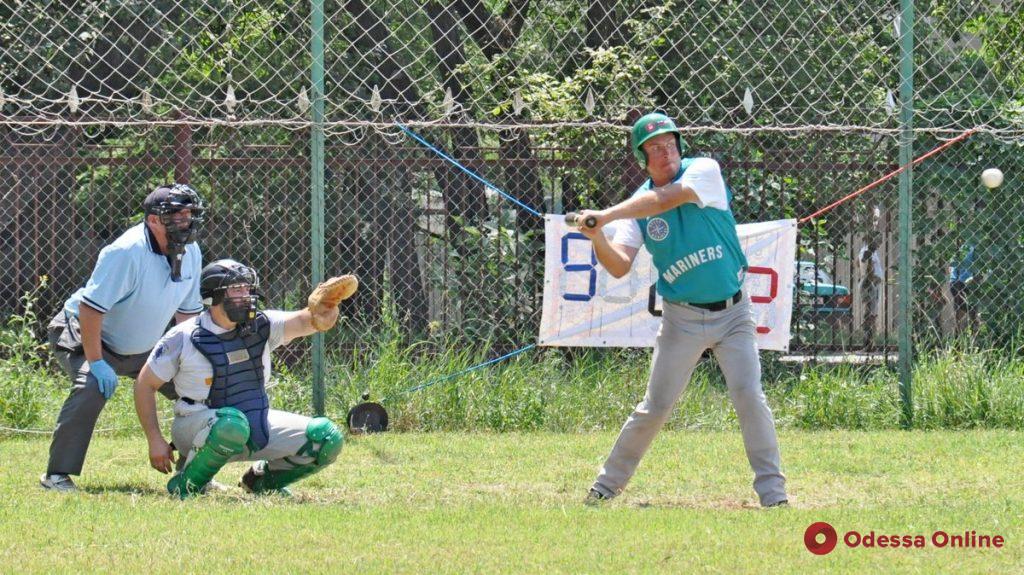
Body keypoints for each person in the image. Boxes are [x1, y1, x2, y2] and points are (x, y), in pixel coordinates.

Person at [576, 112, 787, 507]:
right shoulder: (637, 211)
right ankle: (604, 488)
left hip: (733, 313)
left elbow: (667, 198)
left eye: (670, 144)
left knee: (748, 395)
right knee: (655, 407)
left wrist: (605, 215)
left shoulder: (703, 171)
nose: (664, 152)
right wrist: (596, 236)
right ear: (642, 158)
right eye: (654, 148)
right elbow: (619, 264)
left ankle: (774, 496)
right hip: (682, 319)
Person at [134, 259, 358, 498]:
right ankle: (188, 484)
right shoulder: (184, 336)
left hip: (253, 420)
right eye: (236, 289)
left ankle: (259, 481)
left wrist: (320, 313)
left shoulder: (262, 324)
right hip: (195, 424)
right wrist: (155, 440)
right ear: (214, 295)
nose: (246, 295)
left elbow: (304, 321)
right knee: (231, 424)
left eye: (247, 288)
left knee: (325, 439)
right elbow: (145, 385)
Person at [41, 183, 205, 492]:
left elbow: (187, 317)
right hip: (85, 334)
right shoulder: (126, 251)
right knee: (91, 385)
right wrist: (97, 362)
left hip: (143, 345)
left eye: (190, 214)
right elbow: (90, 310)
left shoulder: (192, 251)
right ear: (154, 220)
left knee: (199, 386)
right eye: (178, 215)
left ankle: (193, 473)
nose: (187, 221)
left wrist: (191, 365)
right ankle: (56, 476)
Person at [858, 239, 884, 345]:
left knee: (870, 312)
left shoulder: (868, 251)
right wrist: (873, 280)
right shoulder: (867, 251)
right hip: (871, 285)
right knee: (870, 313)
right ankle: (868, 342)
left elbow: (856, 263)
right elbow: (869, 269)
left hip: (871, 284)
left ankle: (869, 341)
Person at [949, 244, 979, 333]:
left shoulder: (963, 247)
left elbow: (951, 267)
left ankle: (958, 337)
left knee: (960, 314)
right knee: (972, 313)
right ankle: (971, 333)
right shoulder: (974, 248)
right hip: (964, 283)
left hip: (954, 282)